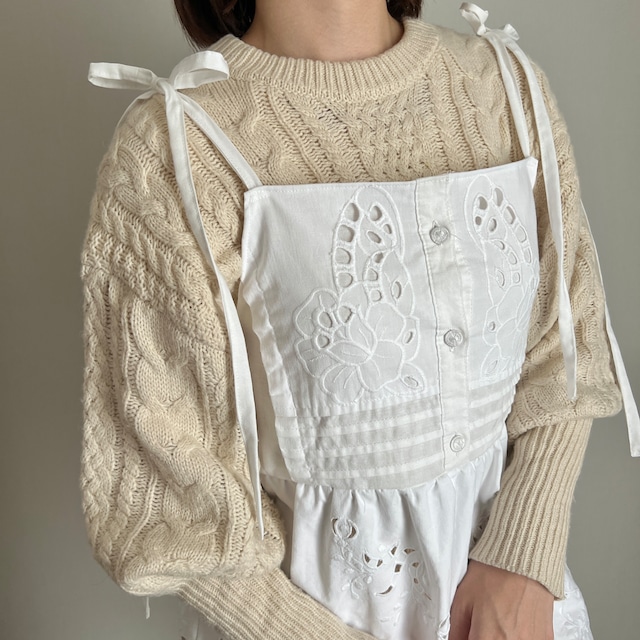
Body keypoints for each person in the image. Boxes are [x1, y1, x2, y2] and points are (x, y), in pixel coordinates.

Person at [80, 1, 639, 639]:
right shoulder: (175, 146)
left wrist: (523, 562)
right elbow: (174, 494)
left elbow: (565, 351)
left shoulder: (504, 85)